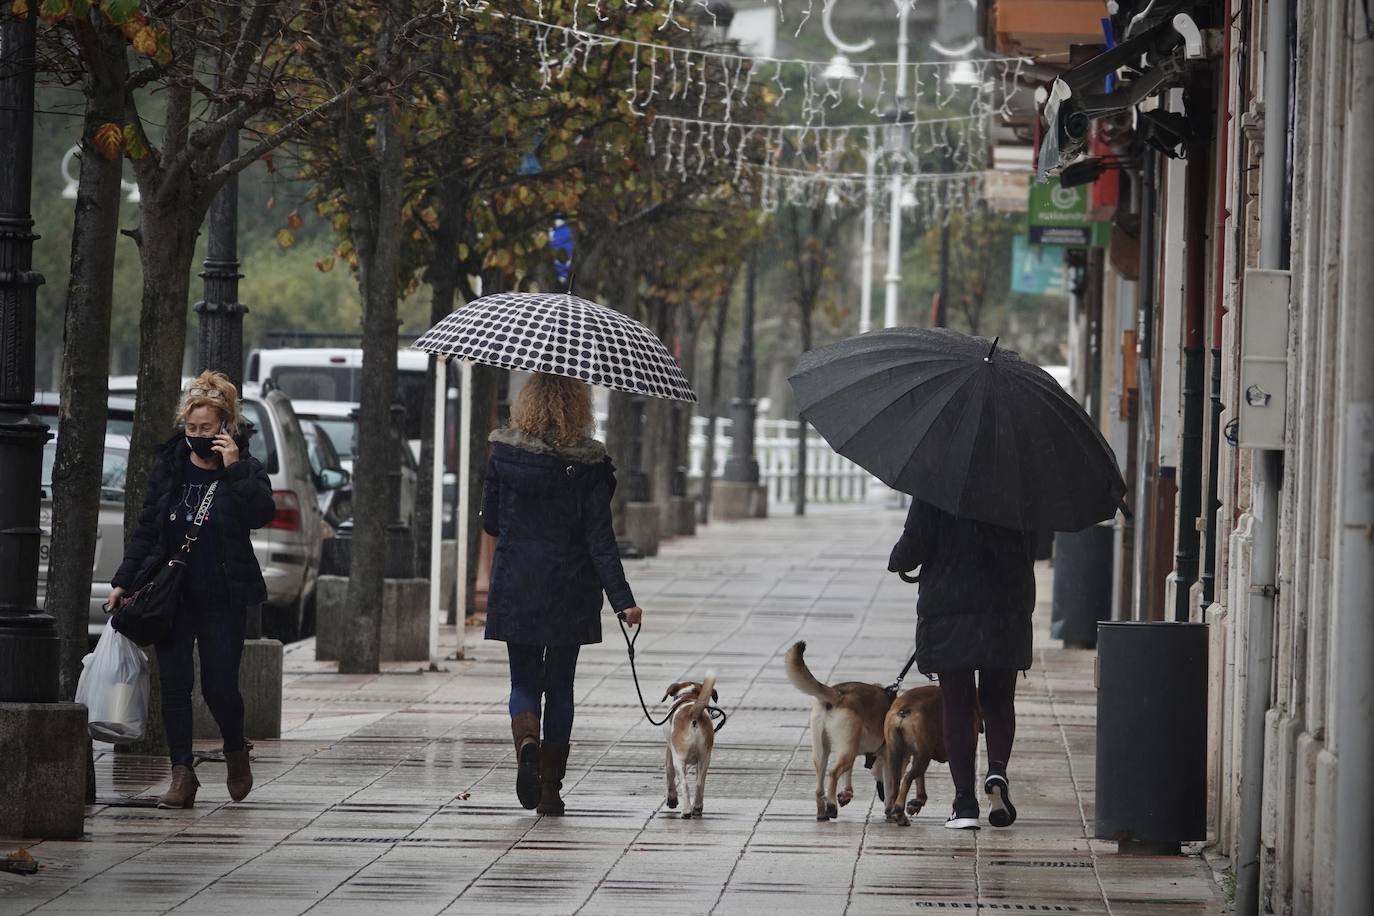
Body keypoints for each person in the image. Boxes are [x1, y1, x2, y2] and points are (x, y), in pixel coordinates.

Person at [108, 372, 276, 809]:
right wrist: (124, 582)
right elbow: (148, 529)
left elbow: (261, 514)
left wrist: (235, 467)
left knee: (220, 687)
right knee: (176, 685)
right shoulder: (171, 466)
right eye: (192, 428)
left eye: (207, 429)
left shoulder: (246, 468)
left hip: (223, 593)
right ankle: (182, 775)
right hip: (173, 592)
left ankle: (235, 750)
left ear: (226, 426)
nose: (198, 437)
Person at [481, 373, 644, 815]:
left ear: (526, 403)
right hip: (571, 588)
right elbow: (599, 540)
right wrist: (623, 600)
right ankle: (550, 789)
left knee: (523, 680)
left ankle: (527, 743)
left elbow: (491, 522)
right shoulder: (590, 466)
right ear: (580, 408)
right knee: (562, 686)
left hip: (518, 582)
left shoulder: (504, 457)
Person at [887, 498, 1036, 830]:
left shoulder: (937, 480)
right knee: (998, 700)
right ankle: (996, 769)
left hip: (949, 605)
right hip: (1006, 607)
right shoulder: (1019, 482)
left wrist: (898, 560)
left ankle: (965, 803)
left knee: (957, 702)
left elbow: (915, 543)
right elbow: (1035, 547)